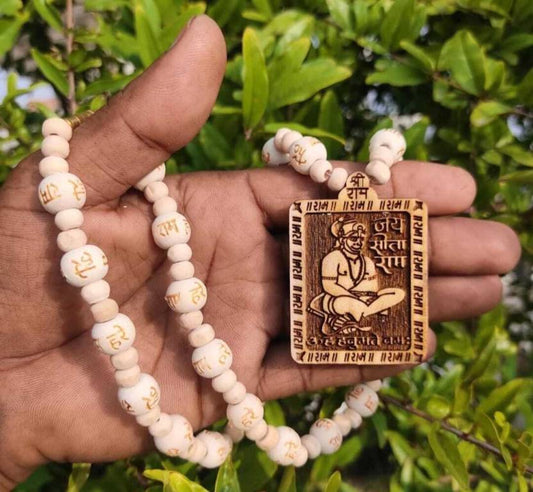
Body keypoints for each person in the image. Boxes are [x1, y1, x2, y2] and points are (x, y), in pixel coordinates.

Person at [0, 16, 521, 490]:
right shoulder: (332, 254)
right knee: (343, 302)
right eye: (349, 237)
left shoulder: (363, 254)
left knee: (391, 296)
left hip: (355, 309)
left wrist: (369, 292)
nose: (354, 242)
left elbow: (368, 283)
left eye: (357, 239)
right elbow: (332, 286)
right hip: (334, 306)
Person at [310, 218, 405, 334]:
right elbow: (329, 286)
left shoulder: (367, 261)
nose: (358, 243)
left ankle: (351, 319)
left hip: (364, 299)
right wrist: (357, 298)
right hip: (339, 299)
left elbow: (373, 288)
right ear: (342, 240)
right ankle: (365, 318)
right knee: (352, 304)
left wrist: (370, 298)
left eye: (361, 239)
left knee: (398, 293)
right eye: (353, 239)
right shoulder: (332, 258)